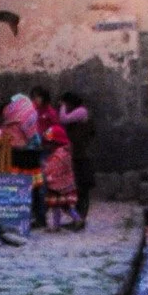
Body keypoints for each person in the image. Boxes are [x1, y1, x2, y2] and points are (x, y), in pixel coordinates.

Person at [61, 90, 93, 223]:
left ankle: (80, 218)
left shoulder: (81, 112)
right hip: (76, 155)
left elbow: (63, 119)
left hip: (81, 156)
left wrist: (62, 107)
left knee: (81, 187)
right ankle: (77, 218)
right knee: (76, 188)